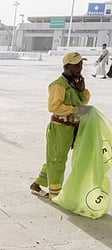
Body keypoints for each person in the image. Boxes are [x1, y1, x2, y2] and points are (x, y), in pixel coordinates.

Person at [30, 52, 91, 199]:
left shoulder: (75, 83)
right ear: (67, 67)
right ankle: (55, 194)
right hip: (60, 127)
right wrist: (76, 110)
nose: (80, 68)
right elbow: (54, 107)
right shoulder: (58, 85)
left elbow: (83, 101)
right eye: (76, 65)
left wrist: (82, 90)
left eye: (81, 64)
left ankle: (37, 184)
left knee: (56, 158)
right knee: (57, 160)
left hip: (73, 127)